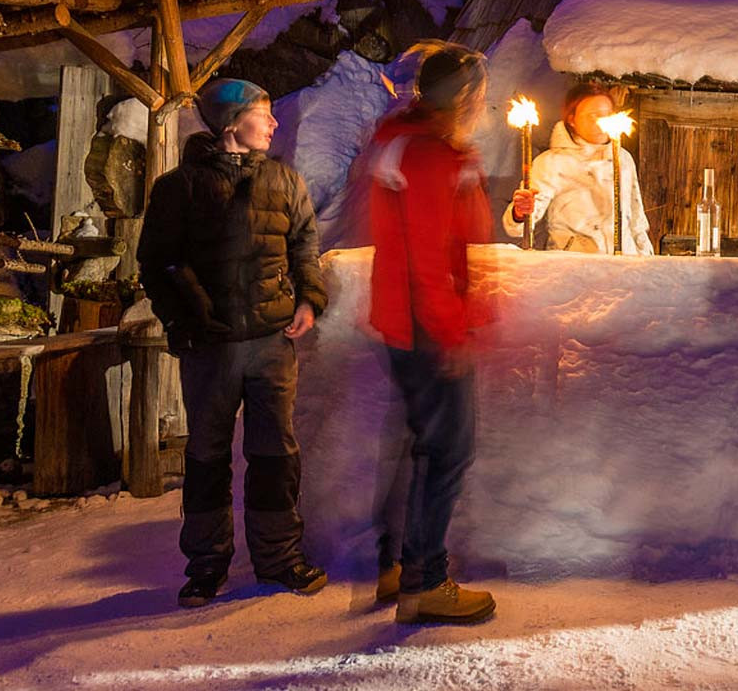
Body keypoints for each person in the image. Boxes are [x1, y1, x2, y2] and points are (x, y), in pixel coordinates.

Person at [137, 78, 329, 608]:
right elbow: (154, 264)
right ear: (231, 123)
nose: (273, 123)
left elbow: (305, 247)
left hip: (271, 342)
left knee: (274, 454)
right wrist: (182, 323)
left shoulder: (285, 181)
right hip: (211, 348)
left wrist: (310, 299)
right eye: (262, 115)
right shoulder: (180, 188)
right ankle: (205, 566)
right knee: (205, 456)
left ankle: (279, 558)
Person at [366, 43, 498, 625]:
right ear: (466, 96)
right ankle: (425, 581)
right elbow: (428, 257)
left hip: (407, 318)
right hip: (427, 323)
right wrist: (451, 333)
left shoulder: (421, 145)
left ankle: (397, 566)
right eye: (480, 92)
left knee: (423, 445)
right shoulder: (426, 155)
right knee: (448, 451)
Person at [504, 83, 653, 255]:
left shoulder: (623, 158)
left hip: (625, 265)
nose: (600, 122)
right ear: (572, 119)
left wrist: (646, 258)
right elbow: (520, 225)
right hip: (575, 265)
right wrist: (520, 212)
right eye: (592, 116)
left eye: (606, 114)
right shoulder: (552, 162)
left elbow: (636, 218)